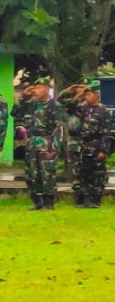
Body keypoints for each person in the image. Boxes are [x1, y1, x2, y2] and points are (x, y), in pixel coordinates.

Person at [15, 76, 65, 210]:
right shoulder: (31, 104)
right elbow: (15, 113)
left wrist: (55, 147)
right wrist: (23, 97)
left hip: (46, 141)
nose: (36, 90)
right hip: (31, 142)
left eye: (40, 87)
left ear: (48, 89)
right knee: (32, 173)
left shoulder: (54, 106)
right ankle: (37, 201)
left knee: (46, 173)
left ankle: (49, 203)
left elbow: (58, 127)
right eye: (35, 88)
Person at [66, 80, 113, 208]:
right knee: (83, 173)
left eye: (89, 94)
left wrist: (103, 150)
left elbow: (105, 132)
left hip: (96, 144)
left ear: (97, 94)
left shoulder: (103, 111)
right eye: (86, 95)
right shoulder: (83, 108)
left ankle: (95, 200)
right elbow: (68, 105)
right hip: (83, 144)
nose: (87, 97)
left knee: (97, 174)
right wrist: (78, 95)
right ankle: (83, 199)